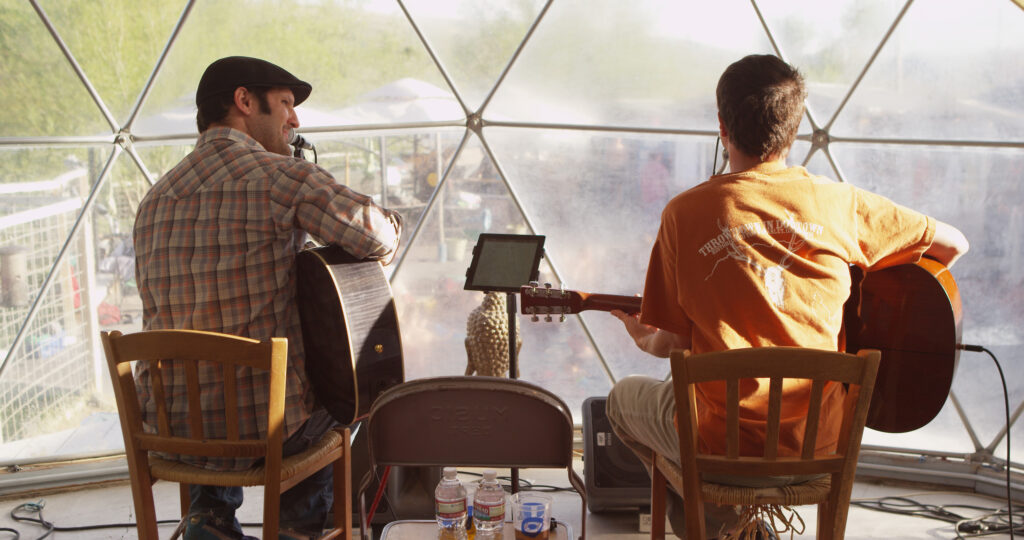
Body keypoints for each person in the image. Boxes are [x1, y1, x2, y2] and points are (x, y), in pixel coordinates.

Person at [605, 54, 968, 538]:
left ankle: (716, 523)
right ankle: (735, 526)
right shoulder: (840, 204)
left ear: (721, 126)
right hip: (818, 446)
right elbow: (954, 245)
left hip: (719, 452)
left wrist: (640, 337)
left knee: (620, 402)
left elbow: (672, 345)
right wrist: (877, 303)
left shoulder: (684, 214)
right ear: (795, 127)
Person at [133, 56, 402, 540]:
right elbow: (376, 237)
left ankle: (208, 520)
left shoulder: (156, 198)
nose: (294, 120)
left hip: (170, 428)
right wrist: (392, 221)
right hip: (265, 429)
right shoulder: (280, 176)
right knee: (345, 401)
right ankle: (298, 530)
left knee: (217, 399)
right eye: (284, 104)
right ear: (243, 101)